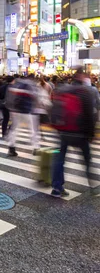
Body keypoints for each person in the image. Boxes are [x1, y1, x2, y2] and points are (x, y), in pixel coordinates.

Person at [51, 68, 96, 198]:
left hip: (63, 131)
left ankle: (57, 188)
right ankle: (93, 186)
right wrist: (91, 134)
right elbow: (89, 114)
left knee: (59, 159)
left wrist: (57, 128)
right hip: (80, 132)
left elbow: (54, 109)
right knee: (87, 159)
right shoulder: (86, 91)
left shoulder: (63, 89)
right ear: (83, 77)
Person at [5, 74, 39, 156]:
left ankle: (11, 148)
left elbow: (9, 98)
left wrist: (11, 108)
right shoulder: (31, 86)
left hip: (15, 111)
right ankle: (35, 147)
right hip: (27, 111)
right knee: (32, 129)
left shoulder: (16, 85)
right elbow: (36, 98)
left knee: (13, 129)